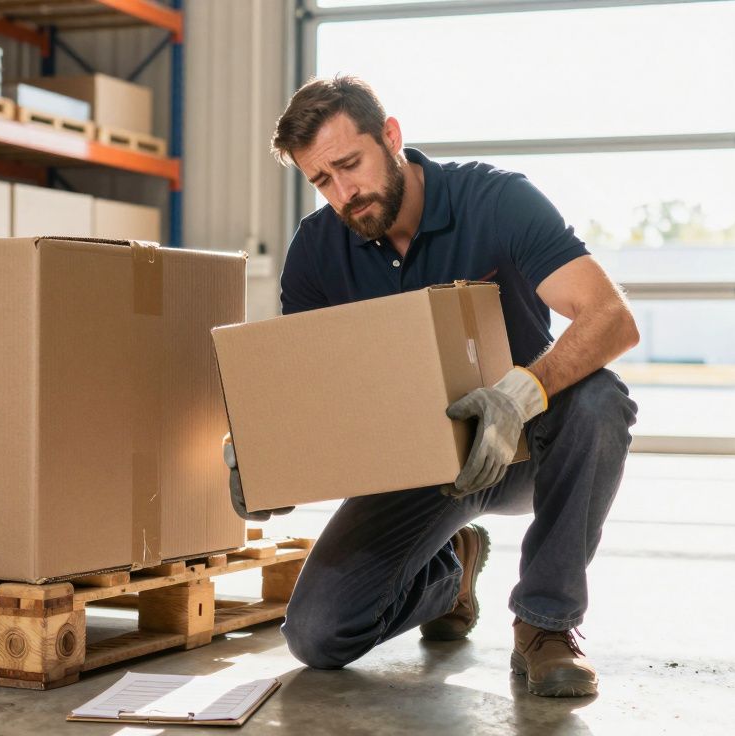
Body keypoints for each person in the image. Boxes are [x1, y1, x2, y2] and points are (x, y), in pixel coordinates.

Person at [223, 76, 640, 698]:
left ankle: (546, 624)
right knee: (317, 636)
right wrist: (262, 458)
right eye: (321, 181)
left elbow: (610, 317)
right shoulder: (315, 250)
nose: (343, 193)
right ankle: (451, 572)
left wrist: (519, 394)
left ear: (391, 137)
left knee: (601, 401)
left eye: (349, 165)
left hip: (523, 443)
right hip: (414, 467)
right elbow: (307, 392)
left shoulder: (497, 200)